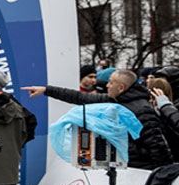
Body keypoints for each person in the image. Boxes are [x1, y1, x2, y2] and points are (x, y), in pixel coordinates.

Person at [24, 70, 172, 169]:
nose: (107, 85)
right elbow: (80, 97)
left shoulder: (141, 109)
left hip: (139, 172)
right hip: (124, 169)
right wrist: (46, 90)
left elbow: (158, 148)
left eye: (111, 82)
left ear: (121, 87)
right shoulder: (115, 101)